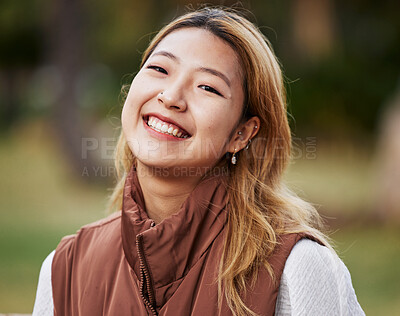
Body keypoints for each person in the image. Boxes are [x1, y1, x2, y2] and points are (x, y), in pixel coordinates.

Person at [33, 7, 365, 316]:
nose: (171, 97)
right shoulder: (65, 268)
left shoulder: (297, 267)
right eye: (160, 69)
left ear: (242, 133)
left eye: (207, 87)